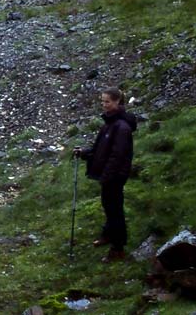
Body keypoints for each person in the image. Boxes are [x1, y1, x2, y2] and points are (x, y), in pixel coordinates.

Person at [74, 87, 137, 263]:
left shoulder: (121, 127)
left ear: (117, 102)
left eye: (107, 101)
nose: (104, 105)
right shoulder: (109, 123)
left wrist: (107, 175)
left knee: (115, 209)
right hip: (108, 175)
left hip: (115, 176)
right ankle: (108, 235)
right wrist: (84, 153)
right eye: (102, 101)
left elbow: (117, 156)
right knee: (108, 205)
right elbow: (99, 150)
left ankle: (118, 248)